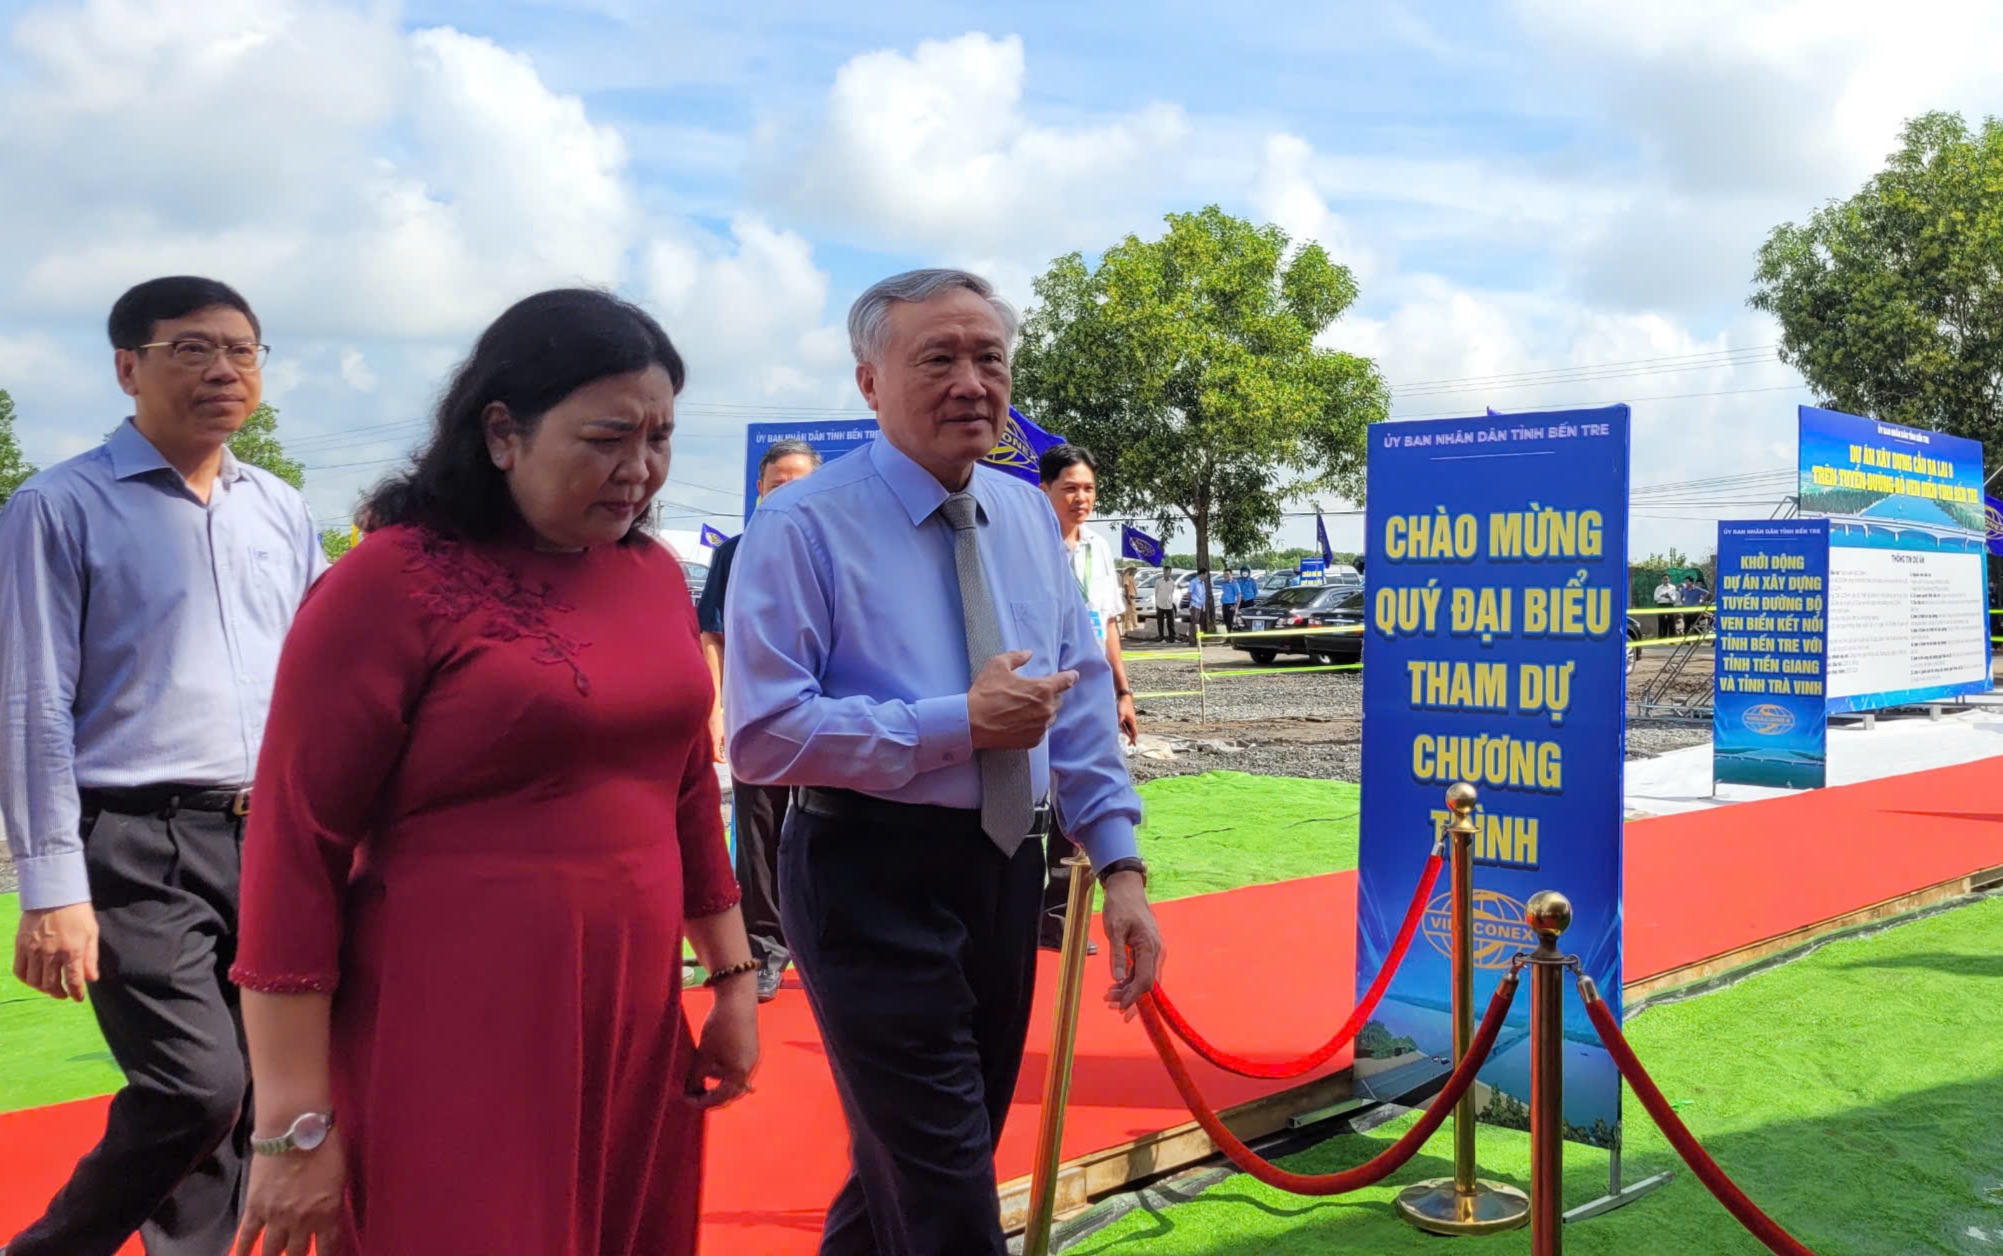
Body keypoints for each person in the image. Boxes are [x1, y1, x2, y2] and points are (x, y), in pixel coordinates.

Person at [227, 289, 758, 1256]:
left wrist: (729, 979)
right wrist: (293, 1121)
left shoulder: (648, 577)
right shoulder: (389, 584)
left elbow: (683, 784)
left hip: (632, 1013)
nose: (639, 470)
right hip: (453, 1015)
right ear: (502, 433)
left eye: (659, 439)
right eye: (606, 438)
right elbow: (295, 846)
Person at [723, 268, 1164, 1255]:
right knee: (945, 1182)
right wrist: (955, 724)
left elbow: (1079, 702)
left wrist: (1121, 866)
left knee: (916, 1165)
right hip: (866, 874)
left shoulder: (1024, 515)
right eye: (938, 358)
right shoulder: (800, 526)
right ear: (868, 382)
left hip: (1004, 868)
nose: (971, 381)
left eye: (989, 358)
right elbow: (761, 734)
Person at [1, 276, 325, 1256]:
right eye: (192, 348)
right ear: (127, 367)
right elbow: (31, 700)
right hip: (137, 841)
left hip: (273, 837)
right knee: (195, 1085)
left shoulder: (280, 509)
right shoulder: (59, 506)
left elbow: (324, 678)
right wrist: (51, 886)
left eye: (242, 350)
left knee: (255, 1088)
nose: (223, 370)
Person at [696, 438, 822, 1001]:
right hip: (759, 716)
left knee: (828, 831)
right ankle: (765, 949)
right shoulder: (735, 554)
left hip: (829, 716)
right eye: (778, 484)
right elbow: (713, 636)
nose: (788, 493)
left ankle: (823, 949)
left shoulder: (841, 548)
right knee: (758, 832)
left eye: (801, 483)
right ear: (760, 489)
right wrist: (716, 710)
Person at [1036, 442, 1138, 952]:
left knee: (1082, 803)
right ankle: (1019, 914)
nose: (1081, 498)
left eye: (1089, 488)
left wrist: (1122, 691)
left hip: (1089, 692)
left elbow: (1108, 624)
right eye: (1070, 488)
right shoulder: (1028, 546)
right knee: (1031, 804)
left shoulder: (1098, 548)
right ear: (1045, 490)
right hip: (1040, 692)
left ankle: (1061, 917)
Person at [1152, 565, 1179, 641]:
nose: (1166, 574)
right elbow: (1156, 593)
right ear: (1163, 572)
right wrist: (1156, 604)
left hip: (1169, 605)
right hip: (1160, 605)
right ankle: (1161, 637)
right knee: (1160, 622)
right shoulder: (1158, 582)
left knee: (1171, 623)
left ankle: (1172, 637)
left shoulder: (1172, 582)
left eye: (1168, 572)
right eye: (1165, 572)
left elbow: (1172, 592)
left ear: (1170, 573)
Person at [1217, 560, 1241, 631]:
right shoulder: (1223, 583)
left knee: (1231, 622)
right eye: (1224, 574)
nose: (1225, 576)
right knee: (1225, 621)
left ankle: (1231, 636)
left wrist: (1236, 606)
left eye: (1227, 574)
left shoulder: (1234, 583)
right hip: (1224, 605)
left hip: (1231, 605)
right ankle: (1228, 635)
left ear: (1231, 575)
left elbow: (1239, 595)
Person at [1653, 573, 1677, 638]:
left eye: (1667, 579)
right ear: (1662, 580)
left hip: (1669, 605)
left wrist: (1669, 597)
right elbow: (1655, 598)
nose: (1666, 580)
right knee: (1661, 622)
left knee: (1671, 622)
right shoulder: (1658, 588)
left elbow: (1674, 599)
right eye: (1664, 579)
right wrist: (1662, 595)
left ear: (1669, 579)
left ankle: (1672, 639)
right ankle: (1661, 638)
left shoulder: (1673, 587)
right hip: (1661, 605)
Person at [1189, 565, 1211, 635]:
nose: (1206, 576)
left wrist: (1203, 606)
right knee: (1194, 623)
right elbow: (1189, 594)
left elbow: (1203, 595)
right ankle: (1192, 640)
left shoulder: (1203, 583)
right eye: (1206, 575)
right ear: (1202, 574)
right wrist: (1191, 605)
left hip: (1201, 606)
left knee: (1200, 623)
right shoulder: (1193, 582)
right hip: (1195, 606)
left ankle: (1199, 639)